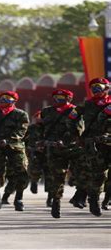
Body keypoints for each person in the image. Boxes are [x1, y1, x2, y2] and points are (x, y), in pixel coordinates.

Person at [0, 91, 29, 211]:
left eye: (7, 98)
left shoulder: (20, 114)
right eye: (2, 98)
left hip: (15, 146)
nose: (3, 100)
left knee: (21, 172)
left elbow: (21, 131)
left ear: (14, 101)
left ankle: (18, 198)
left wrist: (8, 140)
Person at [39, 89, 83, 218]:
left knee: (84, 171)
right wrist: (42, 141)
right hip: (53, 149)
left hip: (72, 148)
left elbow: (79, 129)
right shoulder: (46, 111)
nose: (58, 99)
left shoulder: (75, 111)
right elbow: (42, 129)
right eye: (56, 97)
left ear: (69, 98)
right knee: (57, 177)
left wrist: (67, 141)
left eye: (62, 97)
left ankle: (79, 196)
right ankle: (56, 202)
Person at [76, 77, 111, 216]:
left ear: (107, 88)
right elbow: (71, 119)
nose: (96, 90)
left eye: (99, 87)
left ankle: (106, 200)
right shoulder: (87, 105)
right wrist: (78, 135)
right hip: (96, 144)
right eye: (93, 88)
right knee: (99, 174)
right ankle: (94, 200)